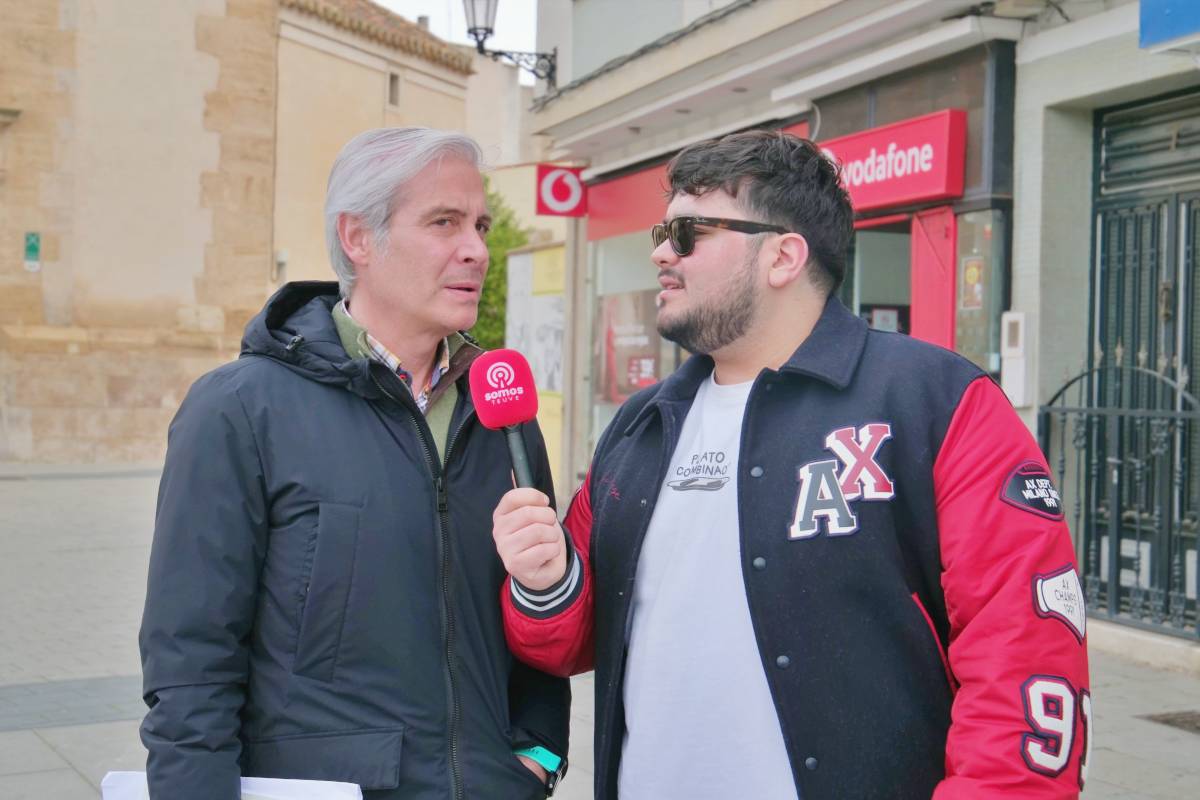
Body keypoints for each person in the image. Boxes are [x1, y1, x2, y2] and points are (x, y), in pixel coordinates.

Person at [493, 130, 1091, 799]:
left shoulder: (936, 401)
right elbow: (568, 643)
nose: (662, 251)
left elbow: (1024, 659)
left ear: (783, 256)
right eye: (662, 230)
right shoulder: (641, 424)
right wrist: (544, 582)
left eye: (688, 231)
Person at [140, 128, 569, 800]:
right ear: (358, 239)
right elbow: (191, 661)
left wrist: (538, 753)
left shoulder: (500, 411)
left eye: (480, 225)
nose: (477, 250)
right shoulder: (241, 410)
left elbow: (534, 614)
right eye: (444, 223)